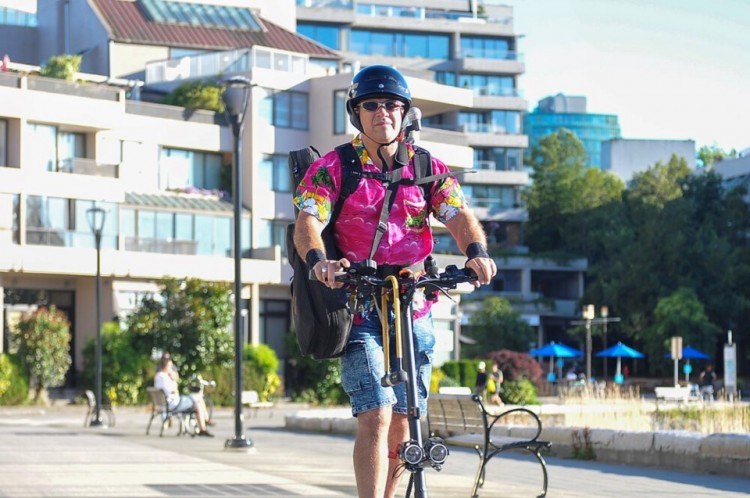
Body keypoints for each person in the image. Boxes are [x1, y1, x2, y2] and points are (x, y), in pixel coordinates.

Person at [293, 65, 496, 498]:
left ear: (404, 112)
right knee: (377, 413)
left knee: (407, 415)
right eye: (372, 104)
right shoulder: (336, 166)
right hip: (361, 305)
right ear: (356, 112)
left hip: (414, 303)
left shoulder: (426, 166)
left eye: (392, 104)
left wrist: (476, 253)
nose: (383, 111)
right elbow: (307, 221)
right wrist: (320, 262)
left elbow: (457, 214)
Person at [154, 356, 214, 437]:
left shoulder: (157, 376)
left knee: (197, 400)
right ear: (167, 366)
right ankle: (203, 426)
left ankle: (204, 422)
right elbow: (172, 391)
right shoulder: (164, 377)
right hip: (173, 404)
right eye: (171, 367)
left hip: (165, 404)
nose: (172, 369)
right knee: (198, 401)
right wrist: (173, 380)